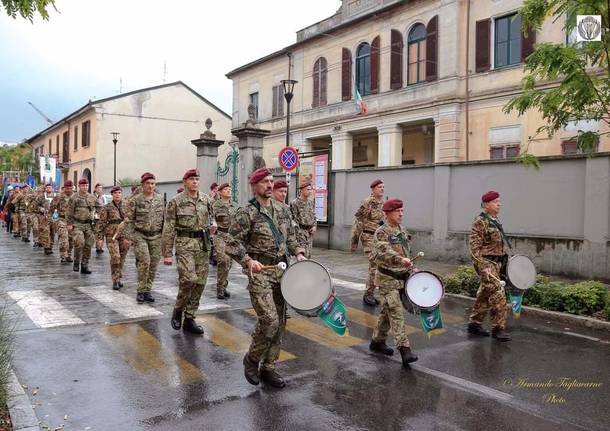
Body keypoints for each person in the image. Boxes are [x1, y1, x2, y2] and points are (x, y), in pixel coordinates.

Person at [226, 168, 306, 388]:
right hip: (260, 272)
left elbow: (292, 237)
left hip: (282, 271)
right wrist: (248, 260)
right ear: (254, 185)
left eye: (271, 181)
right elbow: (232, 243)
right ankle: (252, 358)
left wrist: (298, 252)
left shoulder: (283, 210)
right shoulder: (246, 212)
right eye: (265, 182)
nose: (270, 185)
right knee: (269, 320)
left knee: (280, 322)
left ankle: (269, 368)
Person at [162, 169, 216, 334]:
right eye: (192, 179)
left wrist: (214, 225)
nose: (195, 182)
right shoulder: (175, 202)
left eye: (197, 179)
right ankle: (178, 309)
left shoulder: (206, 199)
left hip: (203, 244)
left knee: (200, 282)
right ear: (185, 182)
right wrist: (167, 253)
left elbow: (212, 218)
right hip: (184, 244)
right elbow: (169, 228)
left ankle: (190, 318)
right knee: (188, 279)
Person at [369, 198, 418, 366]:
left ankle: (377, 341)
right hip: (387, 279)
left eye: (402, 211)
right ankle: (405, 350)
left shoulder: (401, 230)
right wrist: (400, 259)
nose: (401, 214)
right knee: (396, 312)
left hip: (401, 278)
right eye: (398, 211)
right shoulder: (381, 232)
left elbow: (406, 253)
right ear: (388, 213)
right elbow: (384, 251)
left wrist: (412, 269)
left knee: (387, 313)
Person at [467, 191, 511, 342]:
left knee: (485, 294)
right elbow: (474, 248)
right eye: (495, 202)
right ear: (486, 205)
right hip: (486, 264)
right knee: (498, 292)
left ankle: (474, 324)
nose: (499, 204)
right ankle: (498, 328)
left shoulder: (494, 220)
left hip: (497, 263)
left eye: (499, 201)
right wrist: (482, 266)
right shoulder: (480, 221)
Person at [124, 172, 165, 303]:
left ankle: (148, 290)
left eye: (153, 183)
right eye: (148, 183)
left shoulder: (160, 199)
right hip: (140, 235)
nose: (150, 186)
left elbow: (165, 219)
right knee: (145, 262)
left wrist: (165, 238)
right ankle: (141, 290)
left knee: (153, 264)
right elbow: (129, 220)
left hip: (156, 236)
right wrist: (127, 237)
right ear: (143, 185)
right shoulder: (135, 200)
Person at [351, 179, 386, 306]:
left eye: (383, 187)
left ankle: (371, 293)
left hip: (380, 238)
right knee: (374, 264)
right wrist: (354, 241)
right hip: (368, 237)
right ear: (373, 189)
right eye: (379, 187)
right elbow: (359, 222)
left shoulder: (383, 202)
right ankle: (368, 294)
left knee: (379, 265)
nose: (382, 189)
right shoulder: (366, 203)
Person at [96, 186, 130, 290]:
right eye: (115, 193)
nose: (117, 194)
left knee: (122, 258)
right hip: (112, 235)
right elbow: (101, 223)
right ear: (112, 195)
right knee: (115, 257)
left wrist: (130, 237)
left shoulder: (127, 206)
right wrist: (99, 238)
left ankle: (118, 277)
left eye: (119, 192)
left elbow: (131, 222)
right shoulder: (107, 207)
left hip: (124, 235)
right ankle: (115, 280)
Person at [67, 178, 100, 274]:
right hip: (77, 224)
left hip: (89, 224)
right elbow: (69, 211)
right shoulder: (74, 197)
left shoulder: (92, 197)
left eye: (86, 185)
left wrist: (97, 215)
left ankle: (84, 265)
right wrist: (69, 224)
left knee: (88, 245)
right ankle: (76, 262)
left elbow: (100, 207)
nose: (85, 187)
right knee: (79, 243)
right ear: (79, 186)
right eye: (83, 186)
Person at [212, 183, 235, 300]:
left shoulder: (233, 206)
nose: (228, 191)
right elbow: (210, 217)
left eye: (230, 189)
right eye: (225, 189)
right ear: (220, 192)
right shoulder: (215, 205)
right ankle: (219, 288)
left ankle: (223, 286)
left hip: (231, 236)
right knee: (224, 260)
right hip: (220, 235)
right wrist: (213, 223)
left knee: (229, 263)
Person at [290, 181, 317, 259]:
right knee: (302, 254)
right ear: (301, 190)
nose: (310, 191)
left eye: (310, 189)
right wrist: (298, 233)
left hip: (309, 232)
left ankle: (307, 269)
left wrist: (314, 226)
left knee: (309, 254)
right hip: (300, 232)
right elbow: (293, 219)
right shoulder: (295, 203)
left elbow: (314, 215)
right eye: (308, 189)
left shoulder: (310, 202)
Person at [50, 181, 75, 264]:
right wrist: (54, 219)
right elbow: (52, 208)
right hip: (61, 219)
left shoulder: (75, 196)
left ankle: (68, 254)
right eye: (67, 188)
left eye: (71, 188)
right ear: (64, 188)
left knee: (71, 239)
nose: (69, 190)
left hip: (72, 220)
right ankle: (63, 255)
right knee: (63, 237)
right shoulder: (59, 196)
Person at [35, 183, 54, 255]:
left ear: (52, 188)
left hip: (54, 217)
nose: (49, 189)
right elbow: (36, 206)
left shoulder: (56, 196)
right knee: (46, 232)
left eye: (50, 187)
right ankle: (46, 247)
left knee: (52, 232)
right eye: (47, 187)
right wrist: (42, 209)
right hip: (45, 217)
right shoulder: (41, 197)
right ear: (45, 189)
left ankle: (50, 246)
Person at [93, 183, 105, 254]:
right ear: (95, 189)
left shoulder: (102, 197)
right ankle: (98, 246)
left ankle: (99, 247)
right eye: (98, 188)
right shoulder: (92, 197)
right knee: (97, 232)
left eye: (101, 188)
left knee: (101, 232)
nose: (100, 189)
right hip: (94, 218)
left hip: (102, 217)